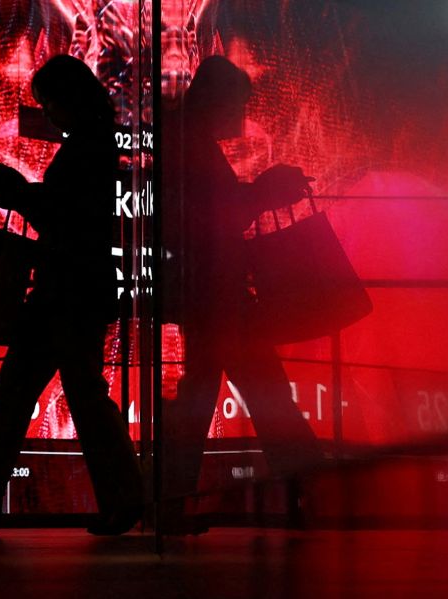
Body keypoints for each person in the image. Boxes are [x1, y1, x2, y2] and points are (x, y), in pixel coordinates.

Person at [0, 55, 143, 536]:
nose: (49, 113)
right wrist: (22, 195)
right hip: (74, 289)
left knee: (27, 393)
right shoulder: (95, 143)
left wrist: (16, 193)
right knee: (63, 394)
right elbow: (73, 216)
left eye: (50, 102)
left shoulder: (86, 147)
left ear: (67, 98)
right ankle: (123, 497)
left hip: (66, 291)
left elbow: (67, 218)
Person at [161, 56, 322, 534]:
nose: (240, 115)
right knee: (267, 394)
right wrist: (267, 192)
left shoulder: (184, 142)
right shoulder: (195, 146)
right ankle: (309, 489)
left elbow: (205, 214)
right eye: (237, 104)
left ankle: (171, 503)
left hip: (208, 295)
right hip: (221, 297)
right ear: (219, 100)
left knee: (205, 399)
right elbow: (217, 218)